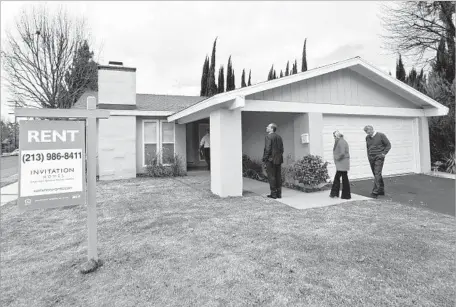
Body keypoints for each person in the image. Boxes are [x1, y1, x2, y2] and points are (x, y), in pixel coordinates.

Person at [364, 125, 391, 198]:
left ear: (372, 129)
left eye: (368, 131)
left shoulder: (381, 135)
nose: (368, 133)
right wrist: (368, 156)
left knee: (377, 173)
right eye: (366, 132)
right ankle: (381, 190)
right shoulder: (367, 138)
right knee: (376, 174)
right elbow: (368, 147)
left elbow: (388, 145)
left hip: (379, 157)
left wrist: (383, 154)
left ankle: (375, 192)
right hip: (371, 157)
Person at [262, 123, 284, 199]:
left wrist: (265, 159)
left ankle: (273, 194)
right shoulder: (279, 137)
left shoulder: (268, 137)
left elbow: (267, 149)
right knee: (278, 176)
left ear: (271, 129)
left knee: (271, 176)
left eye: (268, 126)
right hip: (279, 160)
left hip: (270, 160)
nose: (266, 127)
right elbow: (282, 149)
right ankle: (279, 194)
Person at [329, 130, 351, 199]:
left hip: (342, 162)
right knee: (341, 178)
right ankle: (339, 194)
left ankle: (341, 194)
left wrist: (337, 158)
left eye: (334, 136)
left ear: (337, 136)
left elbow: (342, 153)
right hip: (342, 163)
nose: (334, 138)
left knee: (340, 178)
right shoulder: (340, 141)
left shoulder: (341, 142)